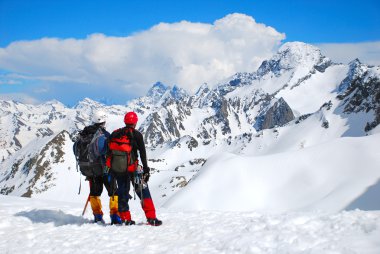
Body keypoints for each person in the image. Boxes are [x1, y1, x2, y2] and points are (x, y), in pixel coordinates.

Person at [106, 111, 162, 226]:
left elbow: (108, 152)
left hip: (118, 169)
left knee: (122, 192)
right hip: (133, 169)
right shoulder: (136, 135)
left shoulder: (115, 134)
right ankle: (151, 217)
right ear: (135, 122)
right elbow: (142, 153)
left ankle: (126, 218)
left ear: (125, 121)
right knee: (143, 190)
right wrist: (146, 169)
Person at [76, 110, 122, 225]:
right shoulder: (104, 135)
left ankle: (97, 216)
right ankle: (115, 216)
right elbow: (110, 150)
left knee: (95, 193)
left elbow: (75, 148)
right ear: (103, 121)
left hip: (90, 169)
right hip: (104, 168)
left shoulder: (84, 134)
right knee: (113, 192)